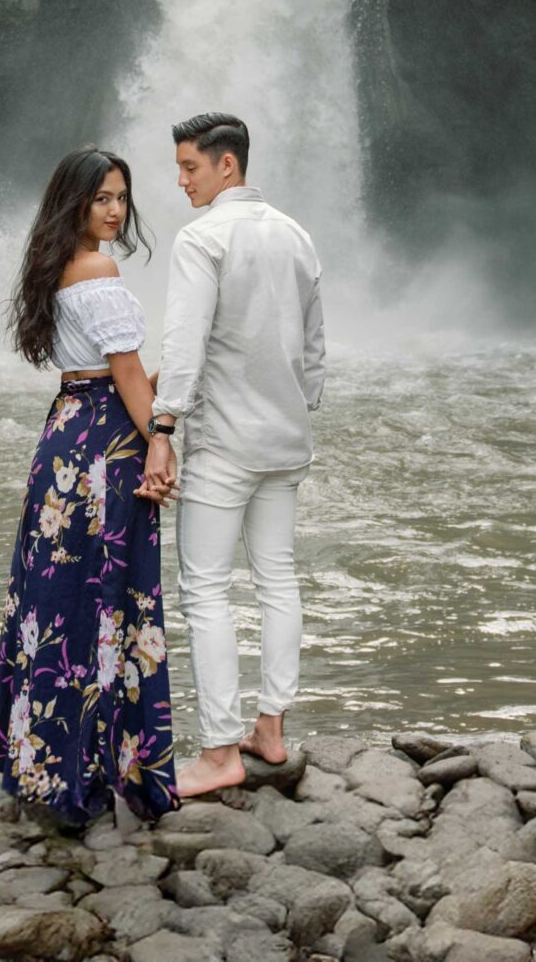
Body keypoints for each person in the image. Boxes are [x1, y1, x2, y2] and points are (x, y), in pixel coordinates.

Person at [0, 146, 180, 824]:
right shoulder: (98, 269)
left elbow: (111, 373)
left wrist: (173, 381)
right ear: (75, 201)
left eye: (122, 197)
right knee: (108, 600)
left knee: (55, 603)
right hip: (104, 448)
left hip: (66, 434)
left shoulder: (55, 264)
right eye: (102, 198)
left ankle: (46, 770)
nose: (116, 210)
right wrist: (161, 439)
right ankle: (98, 775)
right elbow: (124, 377)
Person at [141, 113, 327, 799]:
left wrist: (163, 425)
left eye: (189, 167)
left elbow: (186, 342)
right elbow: (315, 346)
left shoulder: (202, 238)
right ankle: (270, 729)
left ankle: (219, 749)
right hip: (286, 439)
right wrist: (298, 404)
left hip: (224, 442)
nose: (180, 180)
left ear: (227, 165)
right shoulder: (296, 234)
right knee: (277, 577)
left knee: (206, 588)